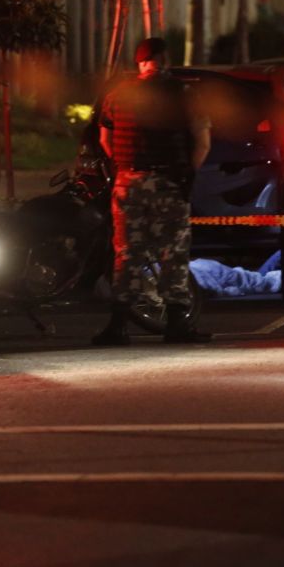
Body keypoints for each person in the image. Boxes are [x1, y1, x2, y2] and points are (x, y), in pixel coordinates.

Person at [92, 37, 213, 346]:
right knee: (173, 252)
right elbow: (203, 142)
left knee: (127, 253)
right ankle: (176, 323)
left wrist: (125, 169)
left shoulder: (118, 96)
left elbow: (105, 141)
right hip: (168, 183)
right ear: (165, 60)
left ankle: (118, 325)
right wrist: (187, 173)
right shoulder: (184, 95)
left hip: (128, 183)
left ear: (139, 62)